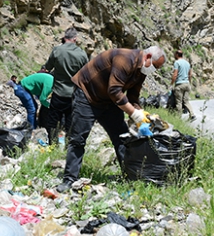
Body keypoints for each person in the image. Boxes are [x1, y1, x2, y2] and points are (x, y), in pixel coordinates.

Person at [57, 46, 166, 193]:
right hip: (87, 94)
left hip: (108, 101)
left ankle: (129, 176)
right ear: (147, 57)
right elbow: (114, 90)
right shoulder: (124, 59)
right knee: (78, 138)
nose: (155, 70)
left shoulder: (141, 71)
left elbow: (133, 96)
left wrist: (141, 114)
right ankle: (69, 179)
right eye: (155, 66)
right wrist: (133, 113)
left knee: (121, 137)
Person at [43, 27, 89, 145]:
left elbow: (48, 67)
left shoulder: (57, 50)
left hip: (58, 92)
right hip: (73, 95)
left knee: (53, 120)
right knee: (70, 122)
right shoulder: (82, 54)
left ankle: (52, 143)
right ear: (75, 39)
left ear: (64, 37)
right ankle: (69, 145)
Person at [170, 50, 196, 121]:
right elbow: (190, 74)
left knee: (179, 102)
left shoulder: (177, 62)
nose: (174, 55)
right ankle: (192, 115)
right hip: (187, 84)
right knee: (186, 101)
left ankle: (178, 118)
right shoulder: (187, 63)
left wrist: (171, 83)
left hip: (179, 85)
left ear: (177, 55)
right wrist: (189, 83)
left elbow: (175, 74)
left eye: (175, 54)